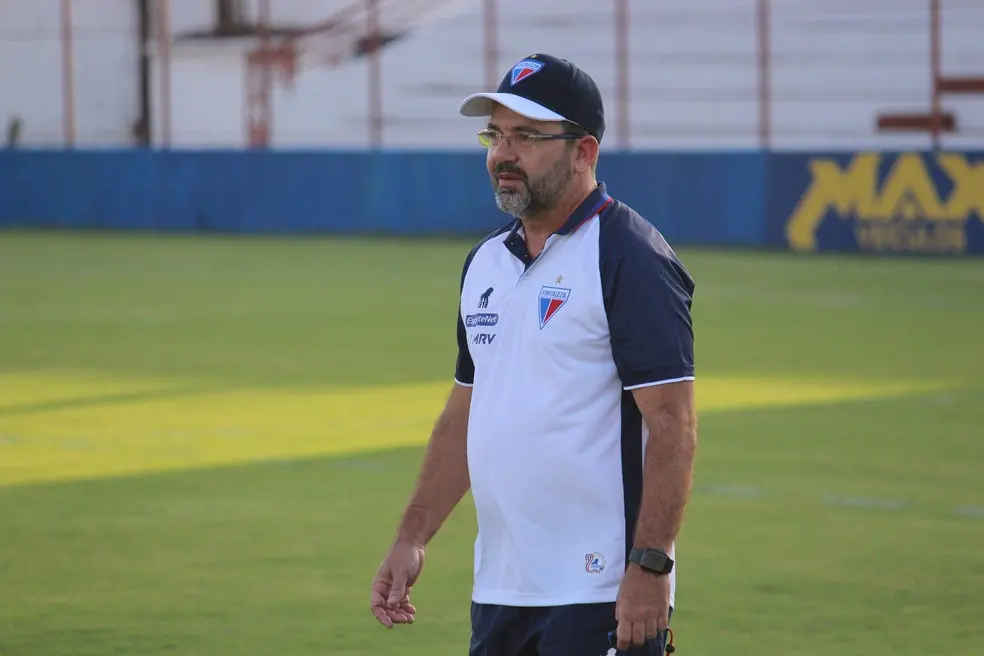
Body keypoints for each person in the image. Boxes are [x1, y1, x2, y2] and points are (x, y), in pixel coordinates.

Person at [369, 53, 698, 656]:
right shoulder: (484, 263)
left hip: (601, 591)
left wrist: (650, 567)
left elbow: (673, 426)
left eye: (526, 136)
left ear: (584, 151)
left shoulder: (629, 256)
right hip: (501, 588)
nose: (503, 153)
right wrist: (412, 536)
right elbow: (465, 414)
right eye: (495, 135)